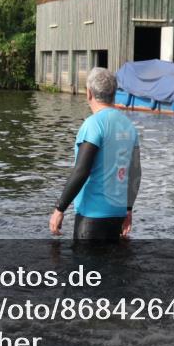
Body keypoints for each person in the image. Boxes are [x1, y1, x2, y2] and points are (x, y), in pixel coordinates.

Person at [50, 68, 141, 241]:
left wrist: (59, 209)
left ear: (89, 93)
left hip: (91, 217)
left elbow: (81, 171)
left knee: (86, 268)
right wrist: (128, 209)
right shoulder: (129, 126)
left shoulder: (93, 125)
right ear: (114, 93)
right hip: (117, 215)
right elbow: (136, 173)